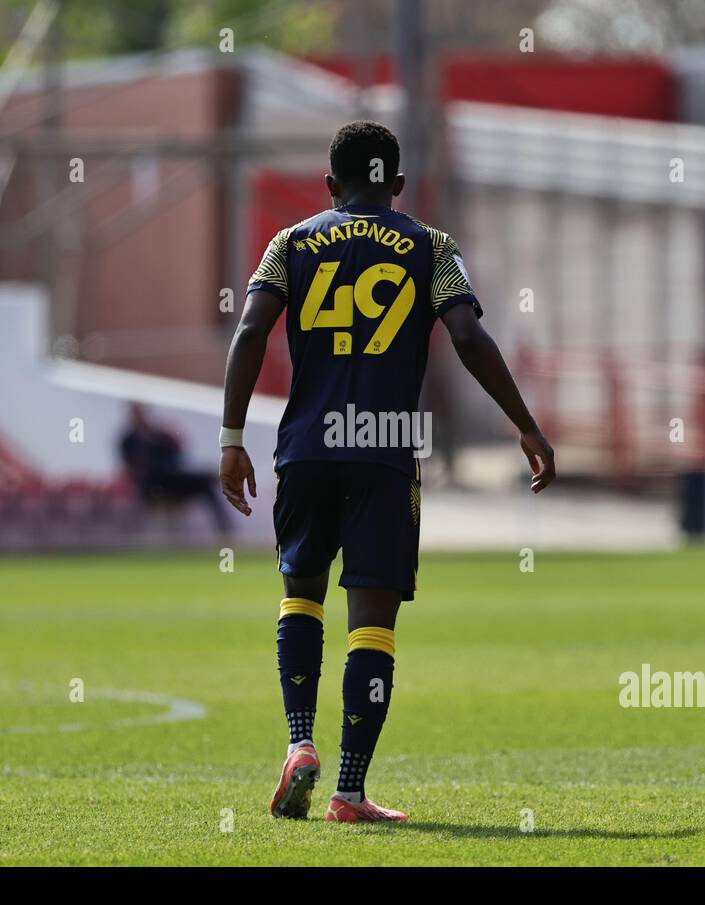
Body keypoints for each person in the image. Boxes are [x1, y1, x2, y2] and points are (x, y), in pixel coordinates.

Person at [219, 121, 555, 824]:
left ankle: (299, 742)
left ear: (330, 185)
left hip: (306, 448)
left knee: (300, 597)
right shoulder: (432, 248)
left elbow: (250, 331)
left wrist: (230, 437)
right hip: (385, 448)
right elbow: (468, 335)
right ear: (397, 184)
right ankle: (347, 791)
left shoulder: (291, 243)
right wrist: (524, 424)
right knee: (371, 623)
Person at [118, 403, 228, 533]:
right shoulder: (128, 440)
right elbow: (133, 467)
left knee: (205, 483)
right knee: (195, 477)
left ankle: (225, 529)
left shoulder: (158, 434)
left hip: (172, 478)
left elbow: (178, 454)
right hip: (152, 483)